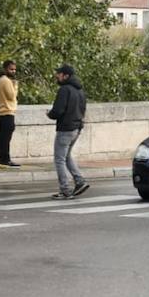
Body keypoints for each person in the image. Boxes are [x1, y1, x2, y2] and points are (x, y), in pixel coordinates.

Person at [46, 65, 88, 199]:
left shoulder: (64, 90)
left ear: (65, 76)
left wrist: (49, 114)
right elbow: (83, 110)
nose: (56, 76)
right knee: (67, 156)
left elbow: (58, 110)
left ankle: (65, 189)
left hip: (65, 129)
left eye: (59, 74)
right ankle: (79, 180)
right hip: (77, 128)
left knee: (59, 160)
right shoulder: (80, 90)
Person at [0, 59, 21, 169]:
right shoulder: (5, 81)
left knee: (4, 137)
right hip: (7, 111)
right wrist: (15, 86)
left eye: (14, 69)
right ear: (5, 69)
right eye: (11, 69)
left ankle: (4, 159)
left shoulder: (3, 80)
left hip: (5, 112)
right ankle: (5, 159)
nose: (13, 71)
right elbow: (11, 96)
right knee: (5, 137)